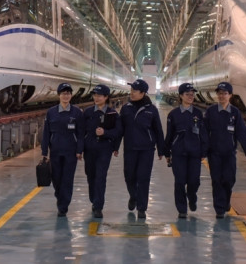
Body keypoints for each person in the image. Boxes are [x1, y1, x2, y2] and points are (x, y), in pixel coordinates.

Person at [114, 79, 167, 219]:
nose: (131, 93)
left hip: (146, 149)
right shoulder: (126, 108)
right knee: (129, 176)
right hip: (130, 148)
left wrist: (161, 150)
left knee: (143, 178)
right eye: (131, 90)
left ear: (143, 93)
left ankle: (142, 208)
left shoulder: (152, 109)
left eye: (134, 91)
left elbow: (158, 130)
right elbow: (120, 129)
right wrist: (115, 146)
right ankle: (133, 196)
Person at [204, 82, 246, 219]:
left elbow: (241, 131)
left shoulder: (235, 113)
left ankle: (226, 201)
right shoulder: (211, 111)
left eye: (224, 93)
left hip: (229, 153)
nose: (221, 96)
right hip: (214, 153)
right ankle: (219, 208)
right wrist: (204, 150)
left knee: (229, 179)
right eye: (219, 93)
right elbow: (205, 132)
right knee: (217, 180)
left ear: (230, 95)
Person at [165, 83, 208, 218]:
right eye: (188, 94)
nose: (191, 97)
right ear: (181, 96)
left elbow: (203, 133)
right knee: (179, 181)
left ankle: (192, 196)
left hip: (195, 153)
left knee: (194, 181)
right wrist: (166, 152)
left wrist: (204, 151)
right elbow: (169, 135)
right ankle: (182, 209)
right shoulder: (173, 114)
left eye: (192, 94)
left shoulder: (197, 114)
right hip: (179, 153)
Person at [41, 82, 85, 217]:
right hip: (55, 151)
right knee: (56, 178)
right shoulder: (51, 112)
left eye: (68, 93)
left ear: (71, 95)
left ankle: (63, 206)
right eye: (63, 93)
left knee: (67, 179)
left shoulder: (77, 112)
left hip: (70, 152)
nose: (66, 96)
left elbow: (80, 133)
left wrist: (79, 150)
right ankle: (60, 196)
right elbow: (46, 133)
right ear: (59, 95)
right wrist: (44, 152)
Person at [83, 84, 122, 218]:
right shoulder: (88, 112)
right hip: (89, 149)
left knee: (101, 176)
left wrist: (105, 133)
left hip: (104, 149)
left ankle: (98, 206)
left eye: (99, 95)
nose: (96, 98)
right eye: (95, 95)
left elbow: (118, 132)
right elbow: (82, 131)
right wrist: (79, 149)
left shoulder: (112, 113)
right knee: (90, 175)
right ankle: (94, 199)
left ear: (106, 97)